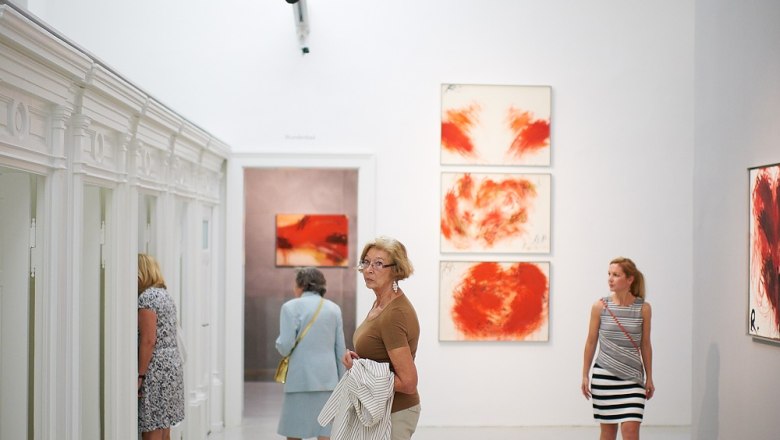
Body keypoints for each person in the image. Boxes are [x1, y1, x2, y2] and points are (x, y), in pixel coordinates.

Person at [342, 236, 421, 440]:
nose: (368, 270)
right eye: (366, 262)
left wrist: (359, 371)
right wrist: (359, 363)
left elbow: (408, 382)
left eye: (378, 264)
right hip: (378, 408)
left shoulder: (394, 314)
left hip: (395, 412)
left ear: (396, 270)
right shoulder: (380, 304)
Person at [581, 257, 655, 440]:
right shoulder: (600, 306)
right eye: (609, 274)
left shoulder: (643, 308)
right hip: (604, 378)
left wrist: (649, 377)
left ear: (630, 279)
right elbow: (591, 342)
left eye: (616, 275)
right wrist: (585, 375)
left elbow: (645, 344)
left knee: (631, 431)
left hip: (633, 378)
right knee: (608, 433)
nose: (610, 279)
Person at [276, 267, 347, 440]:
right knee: (325, 432)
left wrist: (279, 343)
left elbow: (285, 346)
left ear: (301, 285)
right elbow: (340, 349)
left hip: (299, 380)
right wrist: (341, 382)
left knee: (294, 430)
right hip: (327, 381)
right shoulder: (334, 309)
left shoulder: (290, 307)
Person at [137, 254, 185, 440]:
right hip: (172, 366)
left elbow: (149, 340)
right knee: (164, 426)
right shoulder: (165, 295)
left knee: (152, 427)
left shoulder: (146, 299)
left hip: (156, 369)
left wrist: (140, 376)